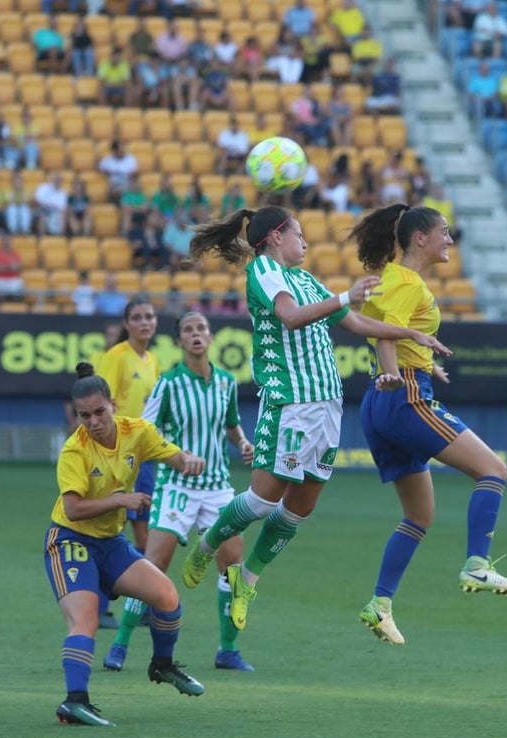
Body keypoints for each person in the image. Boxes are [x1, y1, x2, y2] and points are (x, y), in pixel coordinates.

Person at [178, 206, 452, 633]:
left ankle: (247, 580)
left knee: (301, 505)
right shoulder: (264, 270)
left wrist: (410, 335)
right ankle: (209, 543)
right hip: (291, 402)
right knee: (265, 498)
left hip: (328, 406)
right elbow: (288, 317)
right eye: (299, 235)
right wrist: (345, 297)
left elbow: (356, 322)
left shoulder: (307, 280)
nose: (306, 243)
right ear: (276, 237)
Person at [344, 205, 507, 646]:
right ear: (419, 238)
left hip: (381, 400)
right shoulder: (408, 282)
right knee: (493, 470)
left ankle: (380, 605)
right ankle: (477, 564)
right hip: (402, 395)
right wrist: (398, 374)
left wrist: (417, 365)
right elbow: (387, 333)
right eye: (443, 232)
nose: (450, 239)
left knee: (419, 515)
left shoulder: (392, 277)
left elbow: (387, 331)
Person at [47, 362, 207, 727]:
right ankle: (74, 702)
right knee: (85, 619)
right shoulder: (75, 450)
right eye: (84, 415)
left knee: (167, 597)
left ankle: (162, 666)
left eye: (99, 411)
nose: (93, 421)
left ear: (113, 405)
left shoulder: (137, 432)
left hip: (109, 543)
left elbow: (174, 456)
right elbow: (73, 508)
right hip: (70, 540)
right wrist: (123, 500)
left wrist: (188, 461)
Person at [103, 312, 257, 673]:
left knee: (233, 568)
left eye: (201, 328)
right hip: (177, 488)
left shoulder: (226, 383)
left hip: (218, 488)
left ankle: (228, 650)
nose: (196, 334)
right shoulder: (169, 384)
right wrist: (177, 457)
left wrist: (244, 443)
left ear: (211, 337)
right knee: (154, 566)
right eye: (188, 330)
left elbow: (231, 425)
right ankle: (121, 643)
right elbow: (145, 431)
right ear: (179, 342)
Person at [96, 298, 161, 552]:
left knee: (144, 515)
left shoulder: (152, 359)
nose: (144, 322)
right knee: (117, 521)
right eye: (137, 318)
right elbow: (102, 403)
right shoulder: (116, 356)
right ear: (126, 323)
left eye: (149, 316)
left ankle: (140, 583)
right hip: (122, 450)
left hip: (143, 448)